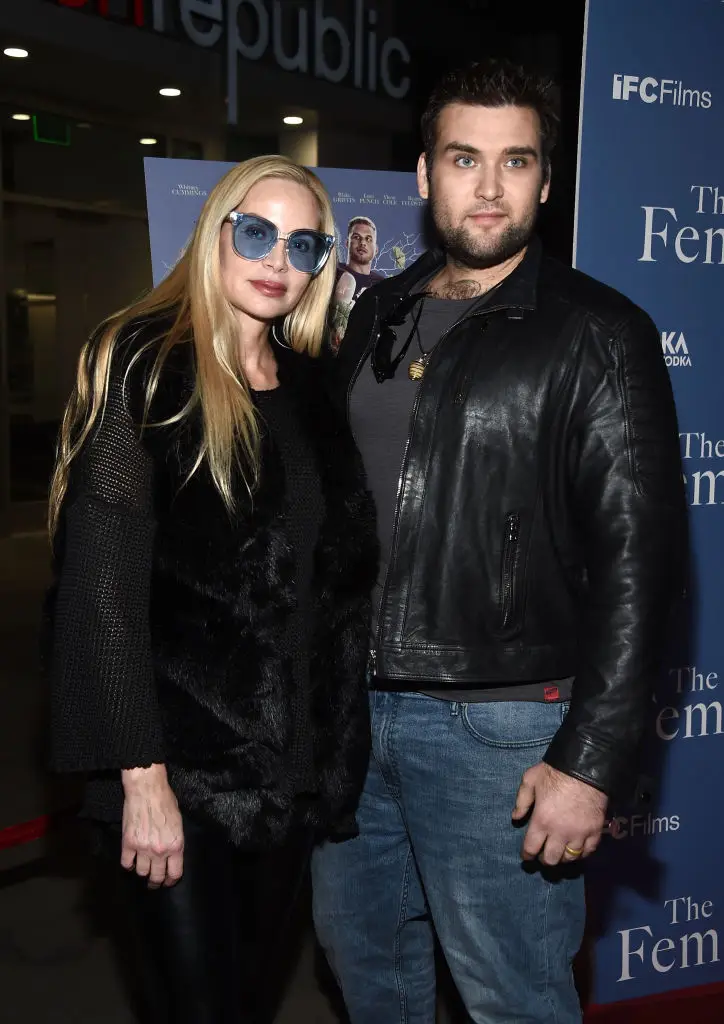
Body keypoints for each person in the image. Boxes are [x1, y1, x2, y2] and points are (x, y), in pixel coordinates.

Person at [312, 59, 687, 1024]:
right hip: (353, 719)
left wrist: (590, 760)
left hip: (505, 734)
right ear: (426, 176)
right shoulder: (378, 313)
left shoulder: (599, 331)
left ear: (545, 181)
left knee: (513, 1003)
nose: (488, 186)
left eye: (514, 161)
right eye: (463, 158)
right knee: (372, 990)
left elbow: (643, 564)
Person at [46, 154, 378, 1024]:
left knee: (246, 1001)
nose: (278, 259)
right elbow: (100, 590)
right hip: (176, 775)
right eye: (257, 232)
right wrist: (143, 781)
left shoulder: (312, 387)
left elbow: (330, 590)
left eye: (302, 243)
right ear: (216, 233)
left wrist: (329, 761)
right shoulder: (146, 367)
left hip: (287, 782)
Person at [330, 217, 385, 349]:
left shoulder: (383, 285)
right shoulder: (332, 273)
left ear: (376, 249)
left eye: (368, 239)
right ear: (347, 243)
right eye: (356, 237)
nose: (362, 243)